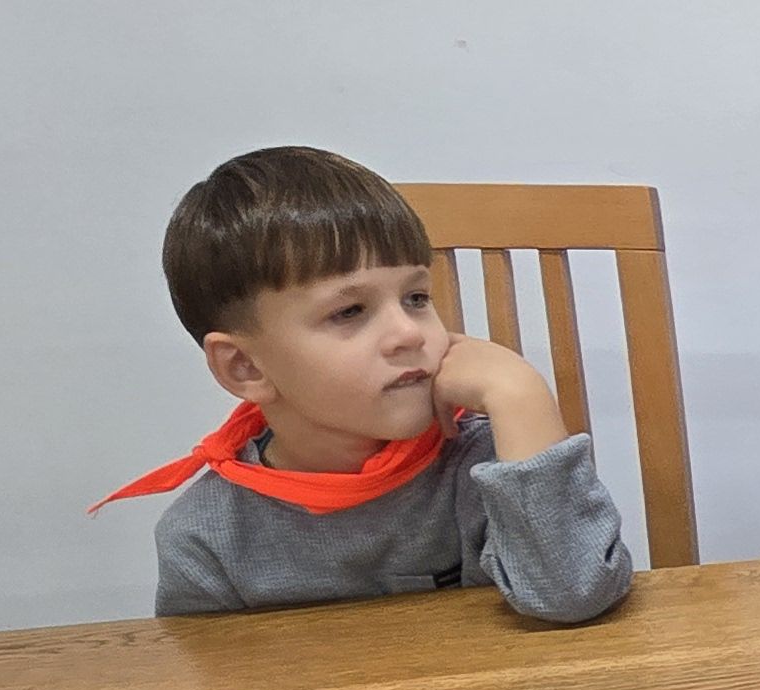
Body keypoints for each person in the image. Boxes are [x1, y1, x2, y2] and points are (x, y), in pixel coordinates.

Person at [95, 148, 634, 622]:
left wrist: (519, 395)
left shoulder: (497, 466)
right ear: (245, 367)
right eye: (349, 311)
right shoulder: (206, 538)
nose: (409, 333)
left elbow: (573, 594)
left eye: (417, 298)